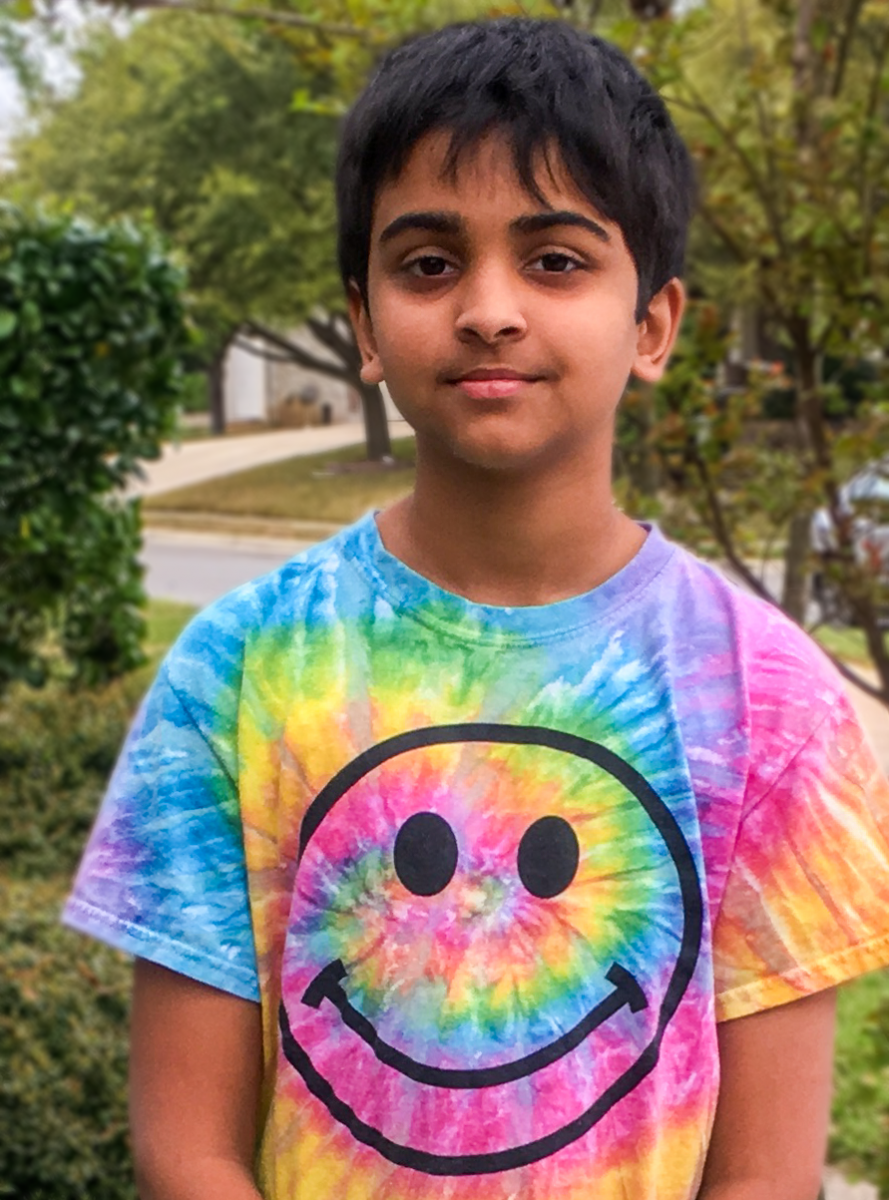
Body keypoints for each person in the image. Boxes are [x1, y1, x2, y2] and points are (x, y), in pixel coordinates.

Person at [65, 17, 889, 1200]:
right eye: (428, 263)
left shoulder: (768, 701)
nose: (488, 308)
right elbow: (186, 1151)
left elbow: (767, 1173)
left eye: (554, 260)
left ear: (653, 323)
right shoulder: (237, 671)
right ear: (362, 323)